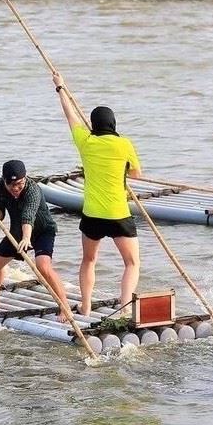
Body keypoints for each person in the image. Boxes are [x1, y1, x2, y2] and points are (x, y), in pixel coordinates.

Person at [53, 72, 141, 317]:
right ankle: (124, 308)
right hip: (118, 214)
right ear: (113, 124)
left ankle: (87, 306)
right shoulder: (124, 144)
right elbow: (136, 174)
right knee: (132, 263)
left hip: (92, 214)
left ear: (94, 124)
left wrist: (61, 88)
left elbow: (70, 117)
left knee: (89, 261)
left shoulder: (86, 143)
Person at [0, 160, 70, 314]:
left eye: (20, 184)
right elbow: (0, 215)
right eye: (12, 185)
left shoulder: (33, 190)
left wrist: (27, 238)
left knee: (43, 267)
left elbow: (28, 216)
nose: (16, 188)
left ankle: (64, 306)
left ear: (25, 178)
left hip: (43, 230)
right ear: (4, 181)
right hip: (17, 231)